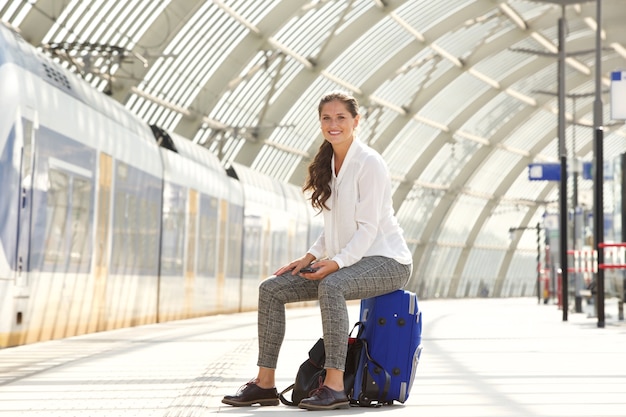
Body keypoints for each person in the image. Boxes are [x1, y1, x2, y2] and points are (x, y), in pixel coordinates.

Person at [222, 91, 413, 411]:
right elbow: (334, 228)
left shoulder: (369, 163)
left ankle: (335, 385)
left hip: (387, 261)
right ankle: (264, 384)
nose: (333, 124)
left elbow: (367, 228)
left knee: (332, 285)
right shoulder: (330, 163)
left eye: (341, 118)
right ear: (320, 122)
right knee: (271, 289)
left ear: (356, 121)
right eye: (327, 118)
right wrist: (310, 257)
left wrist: (335, 264)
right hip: (349, 260)